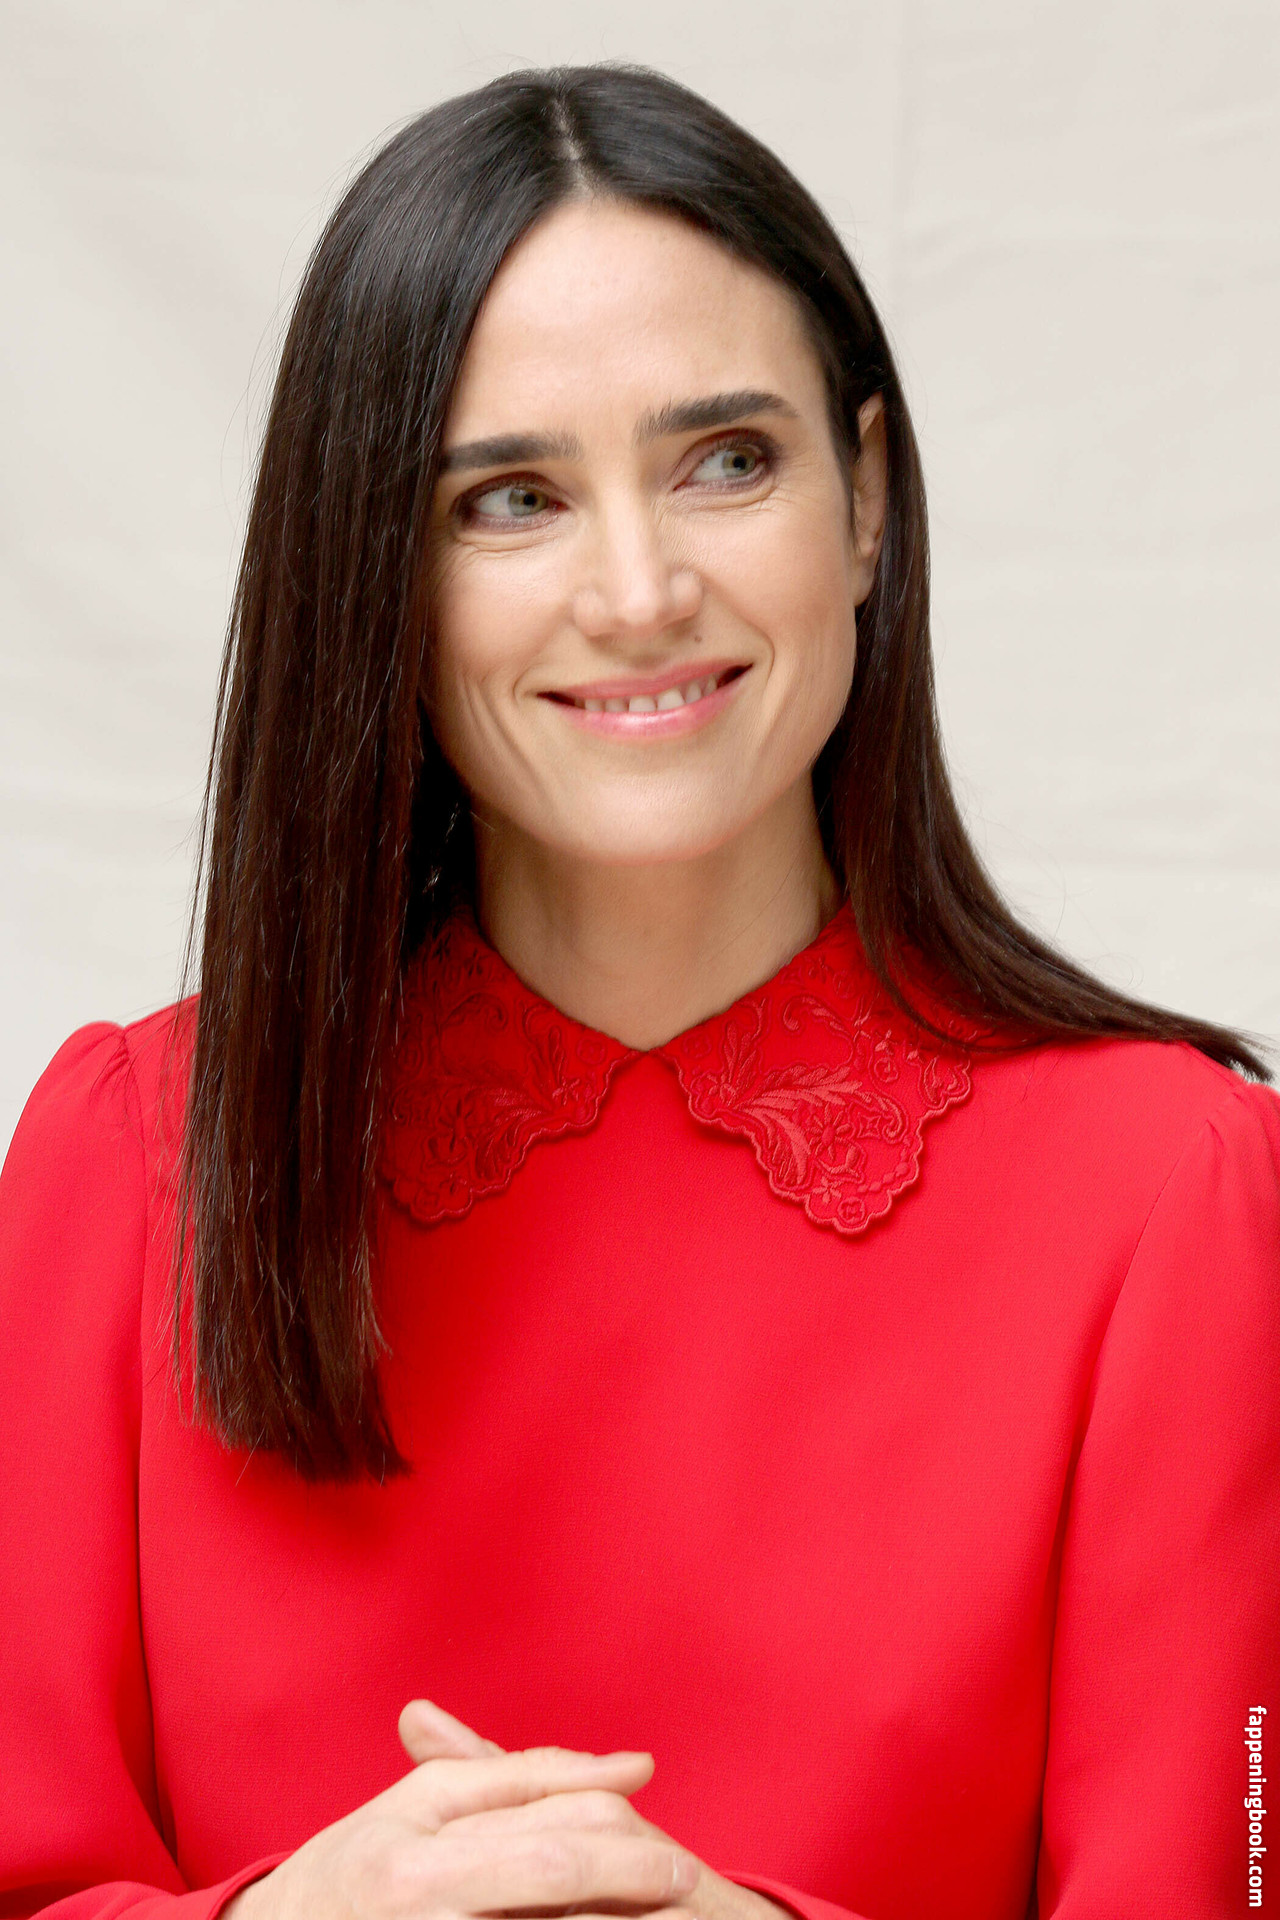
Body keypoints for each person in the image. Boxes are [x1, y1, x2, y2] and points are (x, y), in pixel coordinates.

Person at [0, 61, 1276, 1920]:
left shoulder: (1177, 1193)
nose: (639, 587)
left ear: (866, 498)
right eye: (510, 499)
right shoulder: (127, 1164)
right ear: (378, 573)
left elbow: (1236, 1859)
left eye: (726, 462)